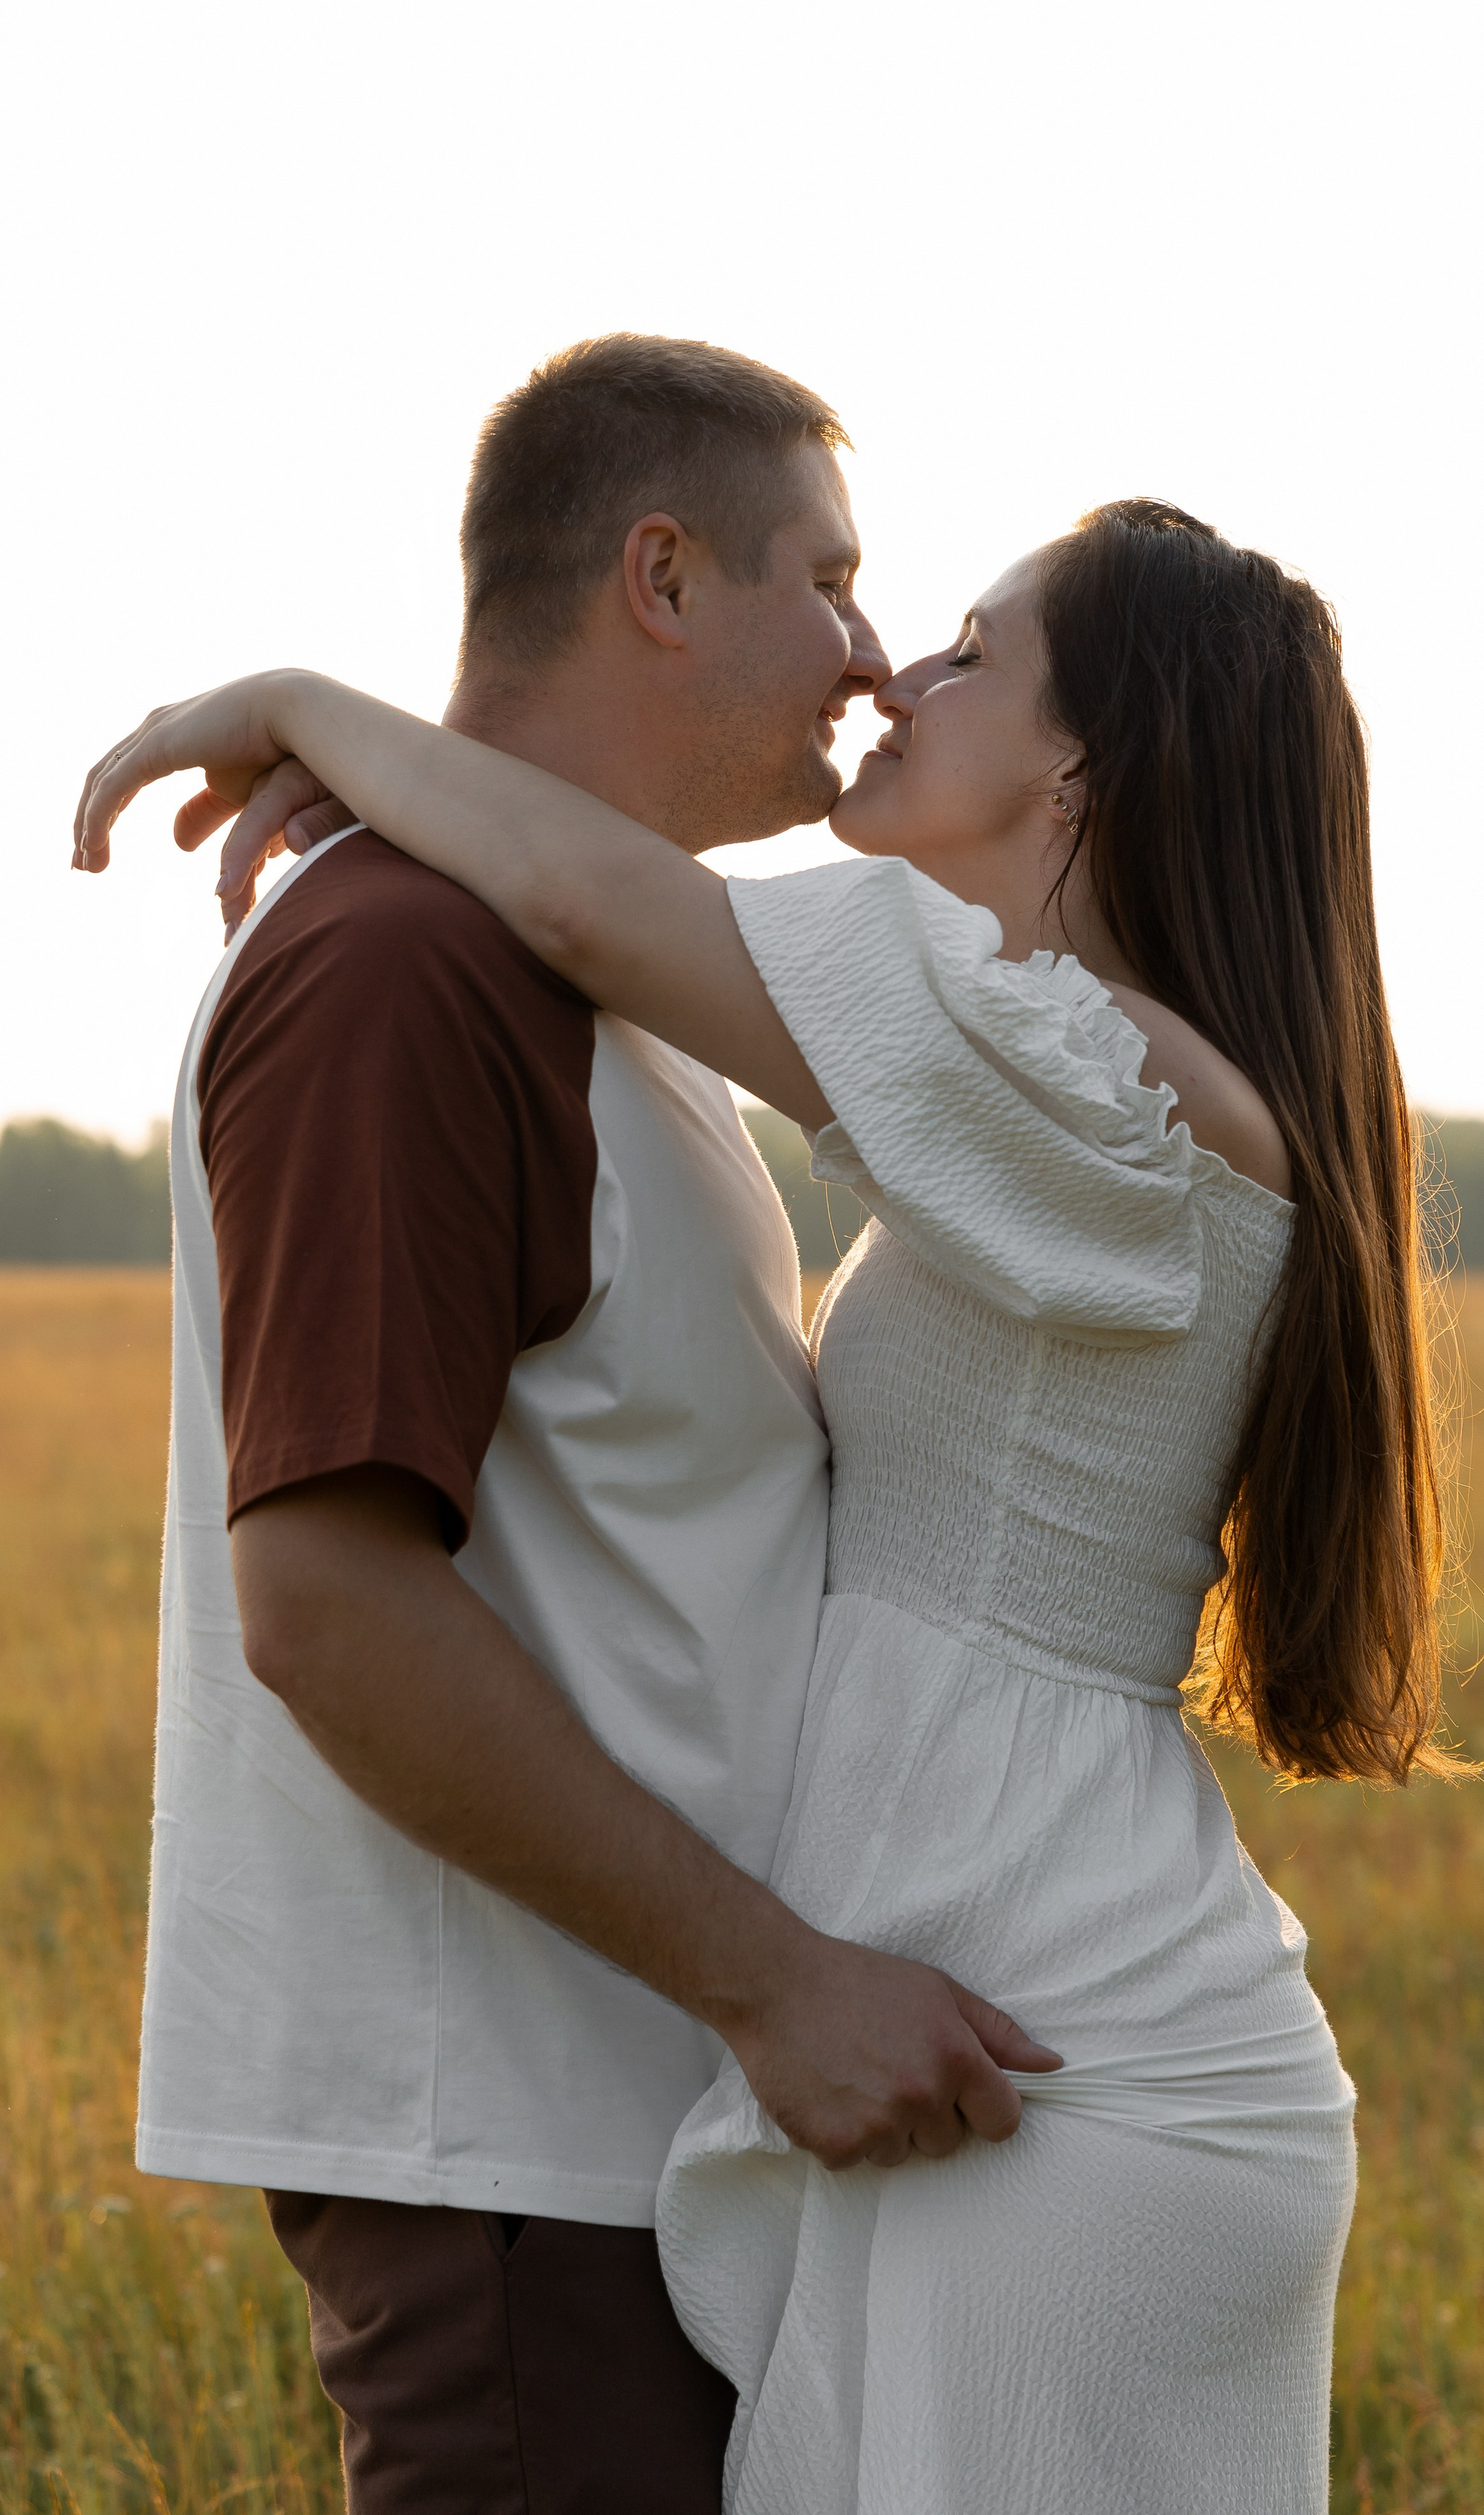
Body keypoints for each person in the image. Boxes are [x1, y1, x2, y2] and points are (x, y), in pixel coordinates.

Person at [77, 497, 1453, 2512]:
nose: (898, 668)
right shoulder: (1092, 1082)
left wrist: (292, 696)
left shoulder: (1101, 1078)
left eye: (973, 652)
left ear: (1083, 763)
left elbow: (579, 899)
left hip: (1060, 2055)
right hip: (1031, 2005)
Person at [74, 334, 1061, 2515]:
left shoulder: (594, 986)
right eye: (827, 576)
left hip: (648, 2136)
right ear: (661, 575)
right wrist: (779, 1983)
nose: (870, 652)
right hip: (514, 2155)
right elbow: (327, 1602)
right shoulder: (406, 969)